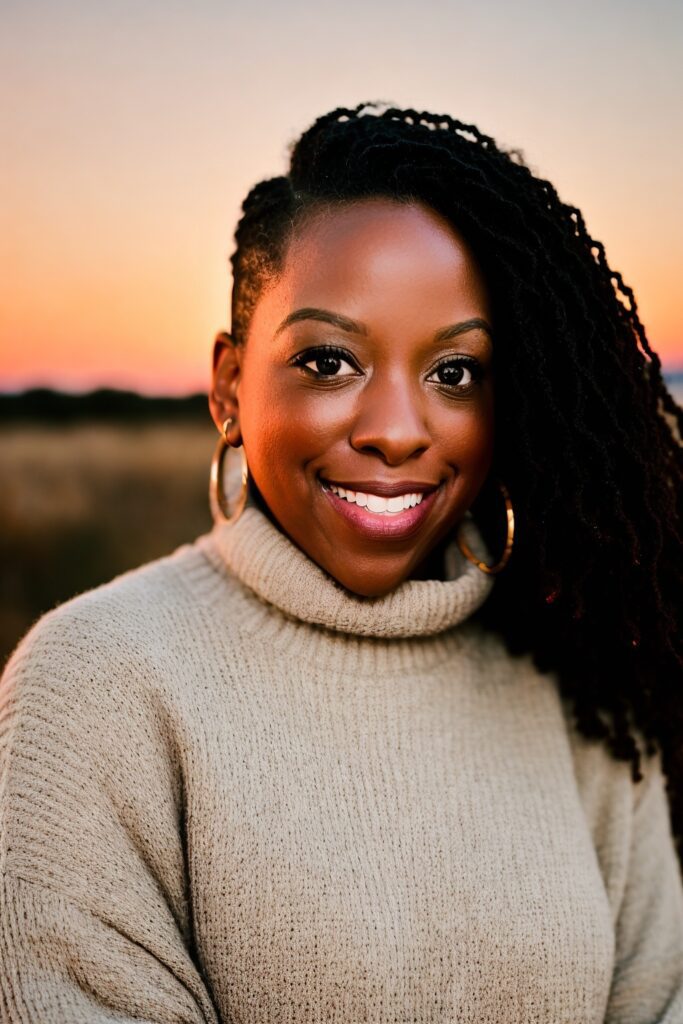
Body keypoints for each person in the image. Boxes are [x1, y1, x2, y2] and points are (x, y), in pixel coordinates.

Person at [1, 101, 682, 1023]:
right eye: (328, 361)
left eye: (455, 373)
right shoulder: (94, 682)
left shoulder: (575, 682)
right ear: (229, 385)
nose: (398, 431)